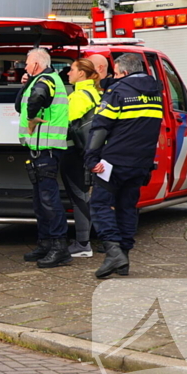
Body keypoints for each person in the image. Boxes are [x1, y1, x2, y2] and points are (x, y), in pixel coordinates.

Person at [86, 53, 164, 278]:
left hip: (114, 162)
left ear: (125, 73)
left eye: (117, 73)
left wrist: (91, 158)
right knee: (128, 207)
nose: (116, 77)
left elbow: (100, 127)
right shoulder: (154, 93)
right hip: (141, 163)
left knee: (100, 205)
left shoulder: (117, 92)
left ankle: (113, 252)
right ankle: (124, 259)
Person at [15, 47, 72, 268]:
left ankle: (59, 248)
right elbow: (18, 105)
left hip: (47, 150)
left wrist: (31, 118)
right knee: (41, 201)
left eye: (27, 63)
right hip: (39, 150)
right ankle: (46, 243)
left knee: (49, 201)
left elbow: (37, 98)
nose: (25, 66)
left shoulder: (46, 79)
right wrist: (26, 83)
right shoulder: (41, 79)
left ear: (37, 65)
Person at [62, 58, 102, 258]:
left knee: (79, 197)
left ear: (81, 74)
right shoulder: (94, 93)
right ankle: (88, 241)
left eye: (71, 69)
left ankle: (83, 244)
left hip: (74, 153)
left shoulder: (79, 96)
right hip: (87, 151)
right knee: (85, 196)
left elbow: (65, 121)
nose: (68, 73)